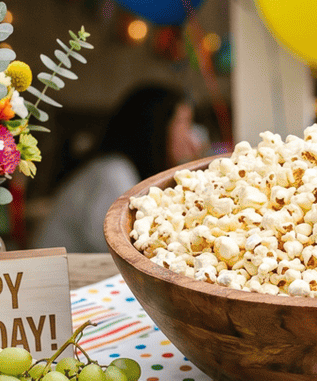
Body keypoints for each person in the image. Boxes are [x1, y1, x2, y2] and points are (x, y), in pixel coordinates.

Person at [34, 83, 201, 253]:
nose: (192, 138)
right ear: (155, 126)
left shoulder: (121, 170)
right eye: (184, 124)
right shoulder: (114, 174)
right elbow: (120, 249)